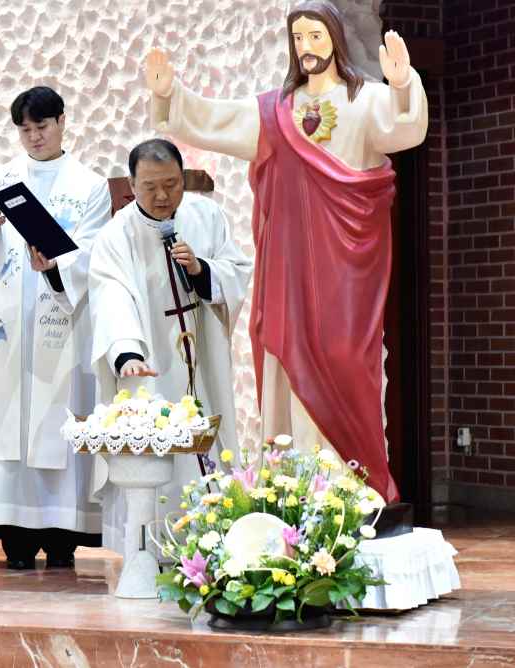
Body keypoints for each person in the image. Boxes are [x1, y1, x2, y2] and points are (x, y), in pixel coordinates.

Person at [144, 0, 428, 502]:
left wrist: (403, 83)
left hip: (346, 264)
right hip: (290, 264)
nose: (306, 47)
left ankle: (349, 488)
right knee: (286, 357)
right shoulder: (276, 110)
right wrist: (172, 96)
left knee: (345, 357)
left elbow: (404, 127)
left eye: (316, 35)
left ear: (335, 38)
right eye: (298, 38)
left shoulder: (364, 101)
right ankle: (295, 488)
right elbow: (218, 119)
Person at [0, 86, 111, 569]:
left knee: (57, 421)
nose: (34, 137)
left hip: (60, 322)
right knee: (9, 420)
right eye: (24, 130)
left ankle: (62, 536)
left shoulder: (89, 186)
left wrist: (55, 266)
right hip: (8, 331)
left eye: (42, 127)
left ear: (62, 121)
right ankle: (15, 536)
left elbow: (91, 252)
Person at [89, 138, 251, 551]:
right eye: (150, 187)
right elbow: (111, 294)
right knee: (162, 456)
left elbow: (236, 270)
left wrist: (201, 270)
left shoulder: (207, 215)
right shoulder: (117, 235)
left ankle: (215, 543)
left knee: (209, 445)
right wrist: (127, 352)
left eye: (171, 184)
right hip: (152, 363)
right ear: (132, 185)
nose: (162, 196)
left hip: (201, 356)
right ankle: (157, 549)